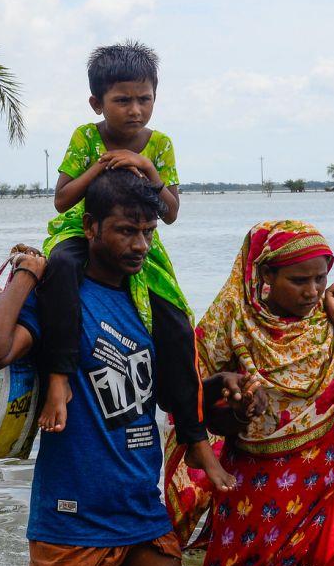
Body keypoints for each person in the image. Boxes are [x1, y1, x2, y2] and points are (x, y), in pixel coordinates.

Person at [0, 169, 251, 566]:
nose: (139, 245)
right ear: (90, 227)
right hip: (70, 516)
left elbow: (147, 388)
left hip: (139, 507)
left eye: (147, 232)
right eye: (125, 231)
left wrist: (216, 387)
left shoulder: (149, 302)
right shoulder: (62, 300)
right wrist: (27, 275)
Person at [36, 41, 235, 493]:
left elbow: (170, 213)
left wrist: (146, 166)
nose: (135, 110)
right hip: (82, 229)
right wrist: (102, 168)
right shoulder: (86, 138)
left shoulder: (159, 144)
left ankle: (195, 437)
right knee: (62, 271)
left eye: (144, 99)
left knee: (176, 324)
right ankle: (59, 377)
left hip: (141, 236)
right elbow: (64, 199)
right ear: (97, 103)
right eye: (122, 100)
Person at [164, 220, 334, 566]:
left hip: (327, 482)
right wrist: (239, 408)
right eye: (299, 280)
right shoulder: (230, 324)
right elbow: (187, 409)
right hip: (255, 490)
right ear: (265, 274)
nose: (312, 291)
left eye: (320, 278)